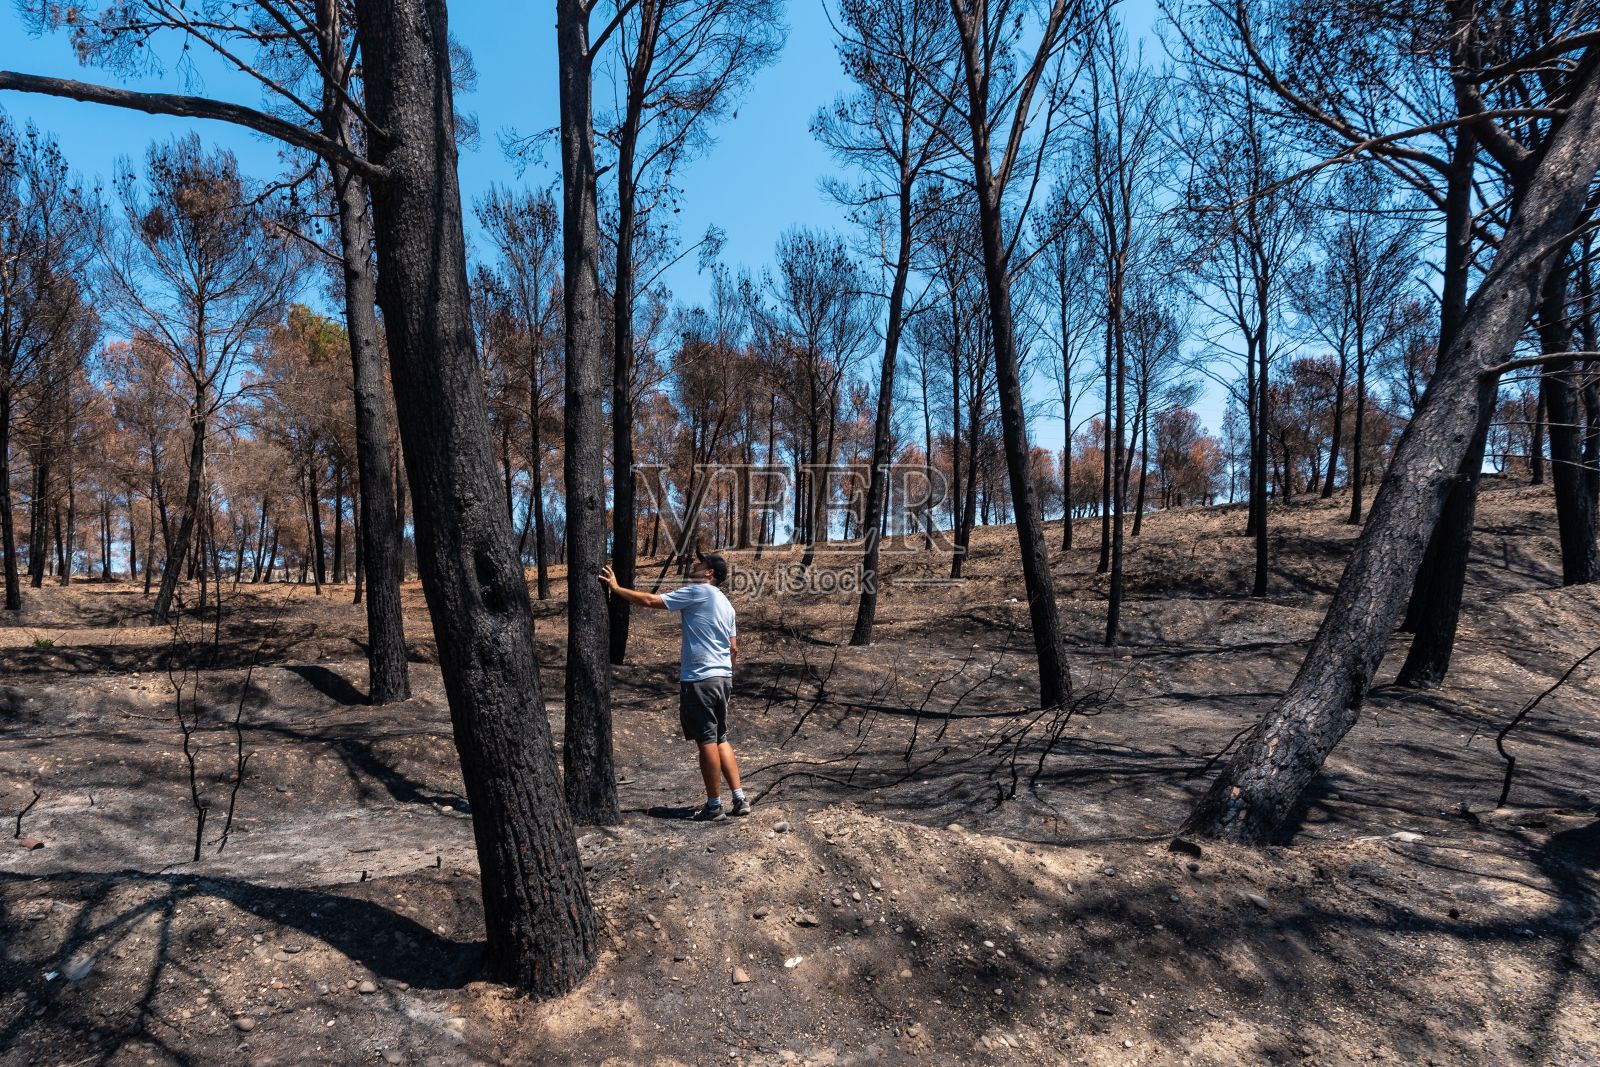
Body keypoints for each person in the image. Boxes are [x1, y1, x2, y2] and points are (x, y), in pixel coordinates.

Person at [599, 552, 749, 822]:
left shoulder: (698, 592)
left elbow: (651, 600)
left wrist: (617, 588)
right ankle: (739, 798)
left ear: (709, 573)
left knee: (706, 740)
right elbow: (734, 648)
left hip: (700, 679)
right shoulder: (727, 605)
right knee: (721, 738)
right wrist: (727, 677)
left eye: (701, 563)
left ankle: (714, 806)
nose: (695, 563)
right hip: (723, 678)